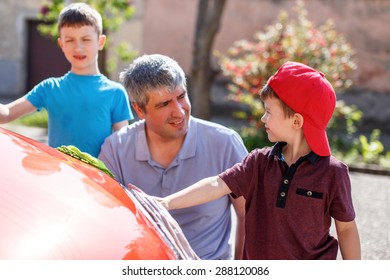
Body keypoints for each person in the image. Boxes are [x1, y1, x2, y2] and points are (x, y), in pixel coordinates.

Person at [156, 61, 361, 260]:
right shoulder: (258, 162)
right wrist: (167, 202)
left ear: (296, 121)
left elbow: (346, 228)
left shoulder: (333, 173)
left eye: (269, 112)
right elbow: (216, 184)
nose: (263, 118)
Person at [98, 54, 248, 260]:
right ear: (140, 110)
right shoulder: (116, 149)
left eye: (181, 97)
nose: (179, 112)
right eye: (164, 104)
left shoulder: (225, 143)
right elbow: (104, 220)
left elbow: (250, 215)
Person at [0, 2, 132, 157]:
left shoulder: (115, 93)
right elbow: (7, 113)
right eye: (70, 40)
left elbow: (124, 146)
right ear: (61, 44)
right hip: (60, 177)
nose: (78, 47)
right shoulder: (50, 88)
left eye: (86, 39)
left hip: (98, 179)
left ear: (101, 42)